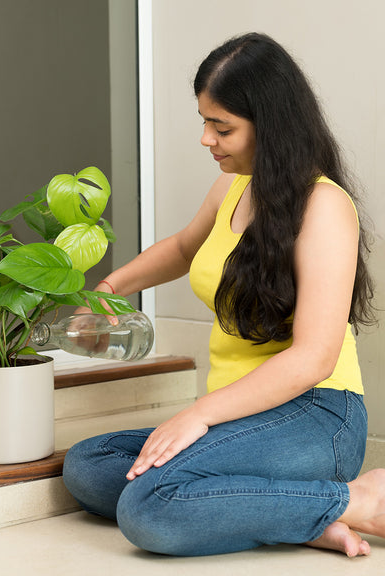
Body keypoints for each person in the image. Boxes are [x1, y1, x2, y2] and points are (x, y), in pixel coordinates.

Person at [62, 32, 384, 558]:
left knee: (148, 506)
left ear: (271, 126)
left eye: (223, 127)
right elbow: (186, 248)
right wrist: (111, 287)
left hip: (315, 415)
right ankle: (303, 513)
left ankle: (353, 499)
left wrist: (199, 413)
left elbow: (313, 359)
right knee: (90, 466)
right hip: (239, 416)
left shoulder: (325, 206)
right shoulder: (235, 185)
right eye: (205, 122)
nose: (207, 139)